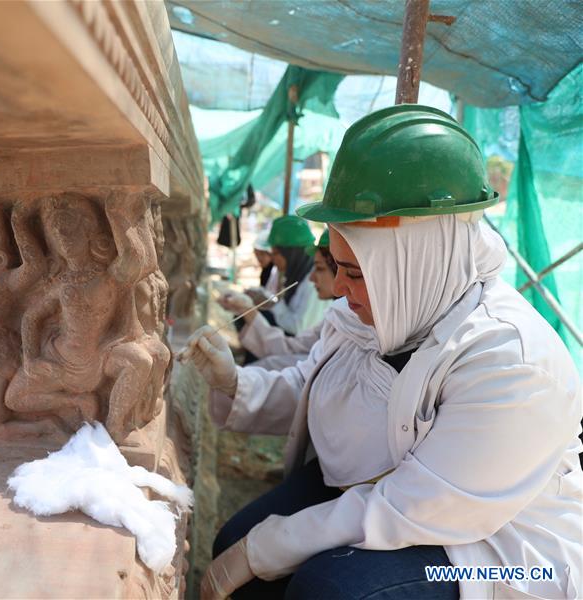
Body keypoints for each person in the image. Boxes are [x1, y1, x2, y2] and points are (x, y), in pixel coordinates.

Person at [184, 105, 582, 599]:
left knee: (332, 590)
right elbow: (317, 383)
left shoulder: (512, 361)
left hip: (499, 552)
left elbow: (417, 505)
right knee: (236, 544)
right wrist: (236, 384)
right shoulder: (386, 304)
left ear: (414, 260)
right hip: (366, 486)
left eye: (355, 272)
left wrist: (273, 545)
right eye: (342, 268)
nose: (340, 290)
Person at [229, 229, 338, 370]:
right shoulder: (336, 317)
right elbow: (291, 347)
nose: (312, 277)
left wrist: (269, 305)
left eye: (320, 268)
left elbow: (297, 331)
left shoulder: (312, 288)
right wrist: (248, 309)